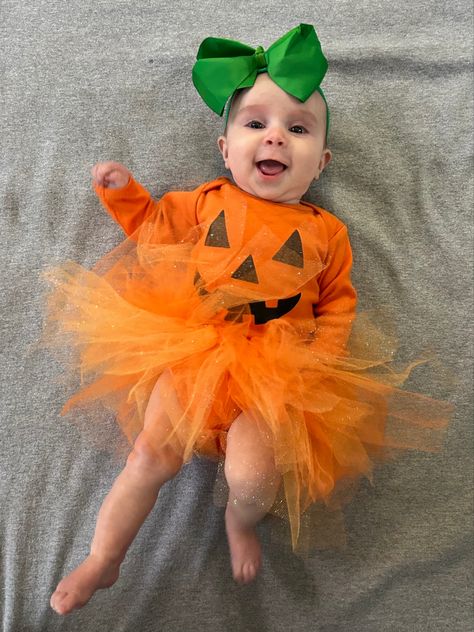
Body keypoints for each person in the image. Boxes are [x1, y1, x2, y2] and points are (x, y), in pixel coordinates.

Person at [46, 24, 451, 616]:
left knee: (253, 477)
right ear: (226, 148)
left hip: (277, 370)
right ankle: (104, 560)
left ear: (322, 162)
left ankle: (240, 520)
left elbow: (338, 299)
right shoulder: (204, 202)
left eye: (298, 128)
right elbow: (156, 235)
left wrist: (322, 353)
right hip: (197, 347)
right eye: (256, 124)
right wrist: (125, 194)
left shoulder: (325, 231)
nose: (276, 139)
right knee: (149, 458)